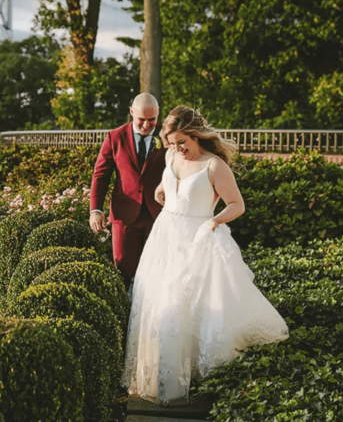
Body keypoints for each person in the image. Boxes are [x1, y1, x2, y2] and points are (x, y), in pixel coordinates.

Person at [124, 105, 289, 405]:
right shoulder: (172, 156)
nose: (176, 149)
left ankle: (200, 377)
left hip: (199, 239)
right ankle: (166, 374)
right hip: (166, 239)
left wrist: (214, 221)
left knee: (191, 306)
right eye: (171, 144)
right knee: (163, 305)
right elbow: (167, 184)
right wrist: (162, 190)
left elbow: (237, 205)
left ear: (196, 136)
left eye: (182, 143)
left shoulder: (214, 166)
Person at [89, 93, 168, 284]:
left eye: (152, 120)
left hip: (158, 214)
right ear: (131, 112)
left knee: (157, 271)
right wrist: (96, 210)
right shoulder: (114, 137)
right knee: (123, 267)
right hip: (124, 217)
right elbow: (101, 175)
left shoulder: (167, 137)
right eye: (142, 119)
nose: (147, 125)